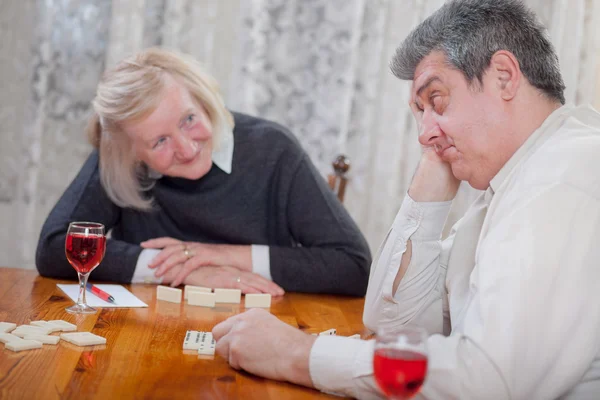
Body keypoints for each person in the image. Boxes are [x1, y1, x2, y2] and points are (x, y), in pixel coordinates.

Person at [210, 0, 600, 398]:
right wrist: (427, 193)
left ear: (503, 76)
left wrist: (299, 353)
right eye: (418, 111)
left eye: (437, 100)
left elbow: (491, 383)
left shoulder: (565, 172)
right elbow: (394, 325)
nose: (424, 133)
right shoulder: (511, 182)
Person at [35, 48, 372, 297]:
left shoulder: (273, 148)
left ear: (203, 99)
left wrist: (219, 256)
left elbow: (353, 266)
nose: (186, 148)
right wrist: (178, 270)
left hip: (260, 328)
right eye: (160, 141)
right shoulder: (121, 153)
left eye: (189, 119)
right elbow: (54, 247)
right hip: (147, 334)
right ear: (132, 153)